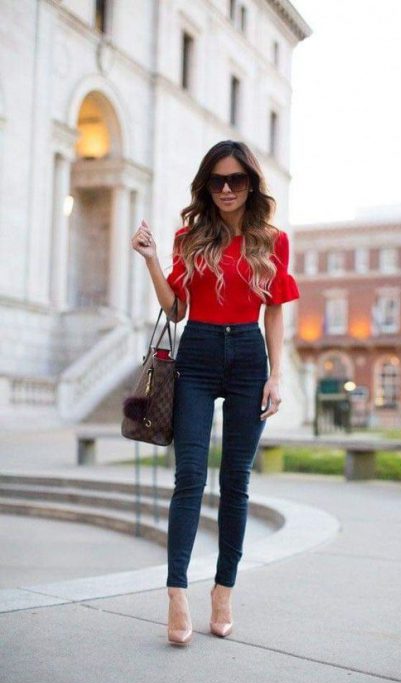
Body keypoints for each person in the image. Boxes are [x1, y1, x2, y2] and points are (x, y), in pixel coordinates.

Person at [131, 140, 300, 646]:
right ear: (207, 185)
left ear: (251, 184)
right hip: (199, 351)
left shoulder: (272, 240)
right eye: (217, 181)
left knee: (236, 483)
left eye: (237, 180)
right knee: (189, 478)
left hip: (249, 355)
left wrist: (276, 374)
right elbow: (176, 310)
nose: (226, 189)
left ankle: (223, 591)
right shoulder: (190, 236)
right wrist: (152, 261)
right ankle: (177, 594)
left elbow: (275, 309)